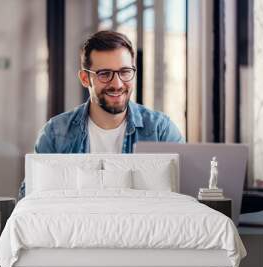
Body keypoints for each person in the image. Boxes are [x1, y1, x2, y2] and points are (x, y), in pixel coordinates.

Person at [19, 30, 184, 199]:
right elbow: (30, 197)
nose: (117, 84)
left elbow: (186, 193)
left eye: (125, 71)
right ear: (85, 78)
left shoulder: (161, 130)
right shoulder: (55, 133)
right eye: (105, 74)